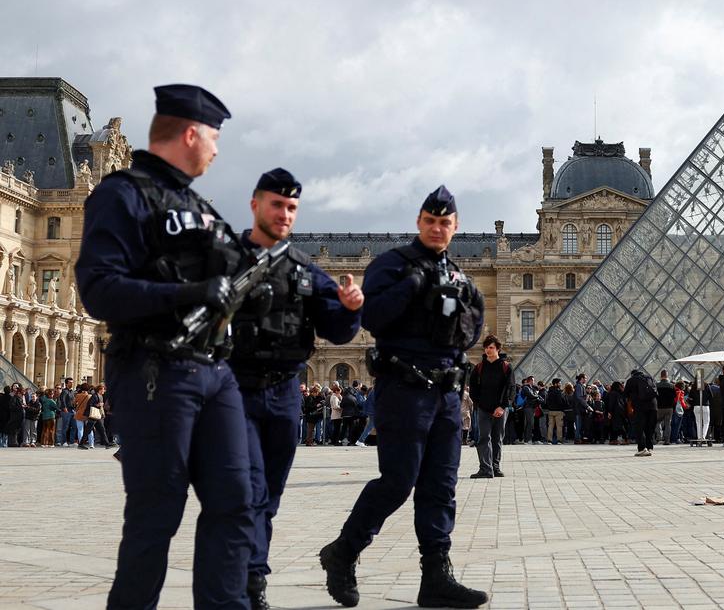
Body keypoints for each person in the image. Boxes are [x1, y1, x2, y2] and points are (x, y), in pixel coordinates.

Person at [74, 84, 258, 608]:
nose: (217, 150)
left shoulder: (199, 206)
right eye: (214, 138)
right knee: (156, 513)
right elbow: (98, 290)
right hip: (156, 368)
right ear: (191, 135)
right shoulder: (122, 195)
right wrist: (187, 294)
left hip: (215, 371)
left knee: (236, 502)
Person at [319, 186, 487, 609]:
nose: (437, 228)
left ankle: (436, 577)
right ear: (419, 222)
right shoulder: (391, 265)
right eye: (430, 221)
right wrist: (412, 287)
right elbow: (372, 318)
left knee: (441, 487)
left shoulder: (461, 279)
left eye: (444, 222)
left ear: (455, 226)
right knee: (397, 482)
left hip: (447, 395)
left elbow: (471, 333)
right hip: (404, 388)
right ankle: (344, 551)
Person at [226, 168, 364, 608]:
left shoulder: (306, 271)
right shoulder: (225, 259)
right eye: (277, 204)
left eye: (291, 207)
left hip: (286, 392)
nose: (284, 214)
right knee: (246, 491)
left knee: (268, 493)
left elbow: (337, 332)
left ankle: (252, 578)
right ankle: (247, 581)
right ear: (255, 204)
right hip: (236, 390)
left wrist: (349, 309)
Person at [467, 335, 514, 478]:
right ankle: (485, 469)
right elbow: (473, 388)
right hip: (483, 409)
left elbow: (510, 388)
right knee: (483, 438)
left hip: (500, 409)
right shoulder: (479, 367)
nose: (488, 350)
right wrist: (479, 404)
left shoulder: (506, 367)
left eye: (491, 347)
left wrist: (502, 406)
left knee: (497, 439)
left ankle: (495, 467)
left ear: (498, 349)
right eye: (486, 347)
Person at [627, 369, 658, 457]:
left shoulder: (631, 380)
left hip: (639, 407)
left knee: (639, 428)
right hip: (653, 406)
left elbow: (625, 394)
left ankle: (642, 449)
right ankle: (649, 447)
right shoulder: (650, 378)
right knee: (649, 427)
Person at [655, 370, 675, 445]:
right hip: (669, 407)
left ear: (661, 376)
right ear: (667, 376)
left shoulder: (657, 385)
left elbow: (655, 396)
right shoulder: (672, 386)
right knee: (668, 424)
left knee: (657, 422)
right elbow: (674, 397)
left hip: (659, 407)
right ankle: (667, 440)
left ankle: (659, 437)